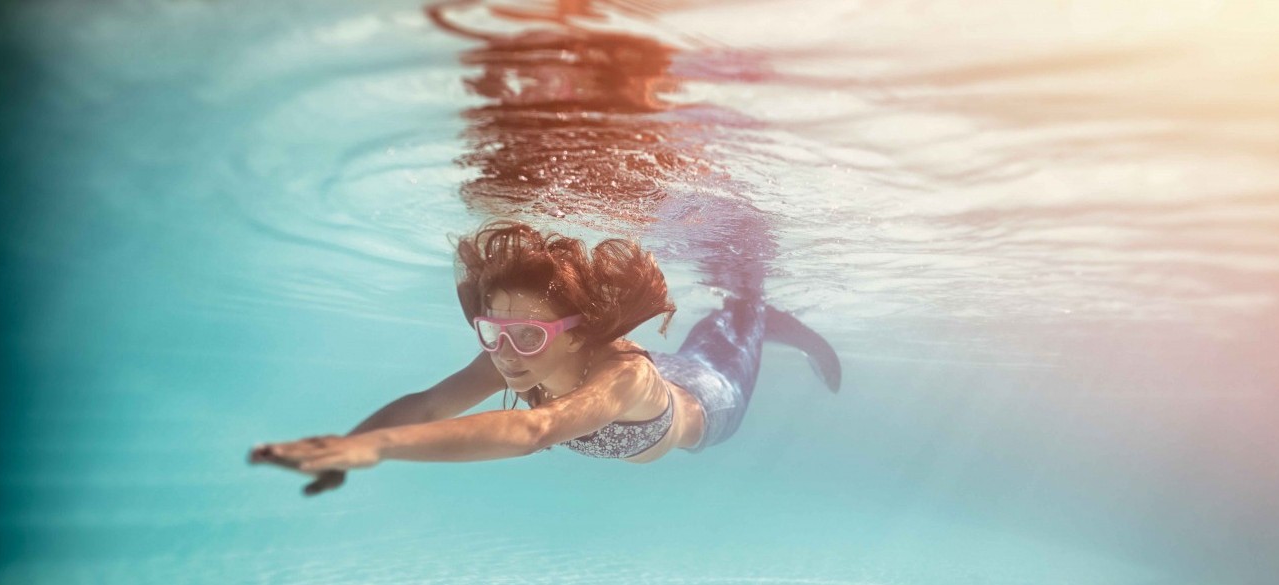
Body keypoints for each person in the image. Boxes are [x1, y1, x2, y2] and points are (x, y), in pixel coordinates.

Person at [250, 220, 840, 496]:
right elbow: (430, 403)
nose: (506, 353)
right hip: (655, 369)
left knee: (731, 329)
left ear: (576, 334)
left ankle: (759, 315)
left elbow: (535, 428)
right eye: (492, 331)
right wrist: (347, 447)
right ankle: (746, 314)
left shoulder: (624, 376)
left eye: (527, 335)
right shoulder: (515, 356)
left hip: (710, 399)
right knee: (709, 333)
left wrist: (377, 448)